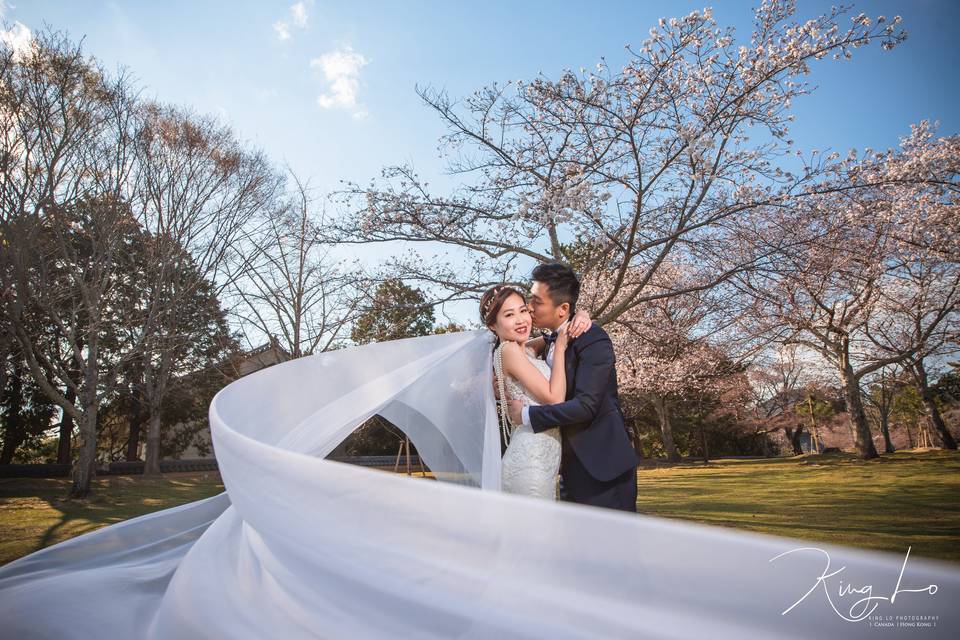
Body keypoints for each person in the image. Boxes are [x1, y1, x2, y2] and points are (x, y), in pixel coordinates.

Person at [507, 263, 639, 512]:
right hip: (566, 468)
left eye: (537, 301)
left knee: (616, 549)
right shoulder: (545, 343)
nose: (529, 308)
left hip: (604, 469)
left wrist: (525, 415)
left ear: (563, 308)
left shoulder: (593, 339)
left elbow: (586, 406)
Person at [480, 284, 591, 499]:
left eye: (523, 311)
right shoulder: (509, 350)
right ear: (493, 325)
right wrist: (559, 349)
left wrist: (582, 315)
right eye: (509, 315)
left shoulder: (526, 349)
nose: (521, 320)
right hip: (529, 464)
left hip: (544, 462)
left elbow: (561, 330)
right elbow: (554, 398)